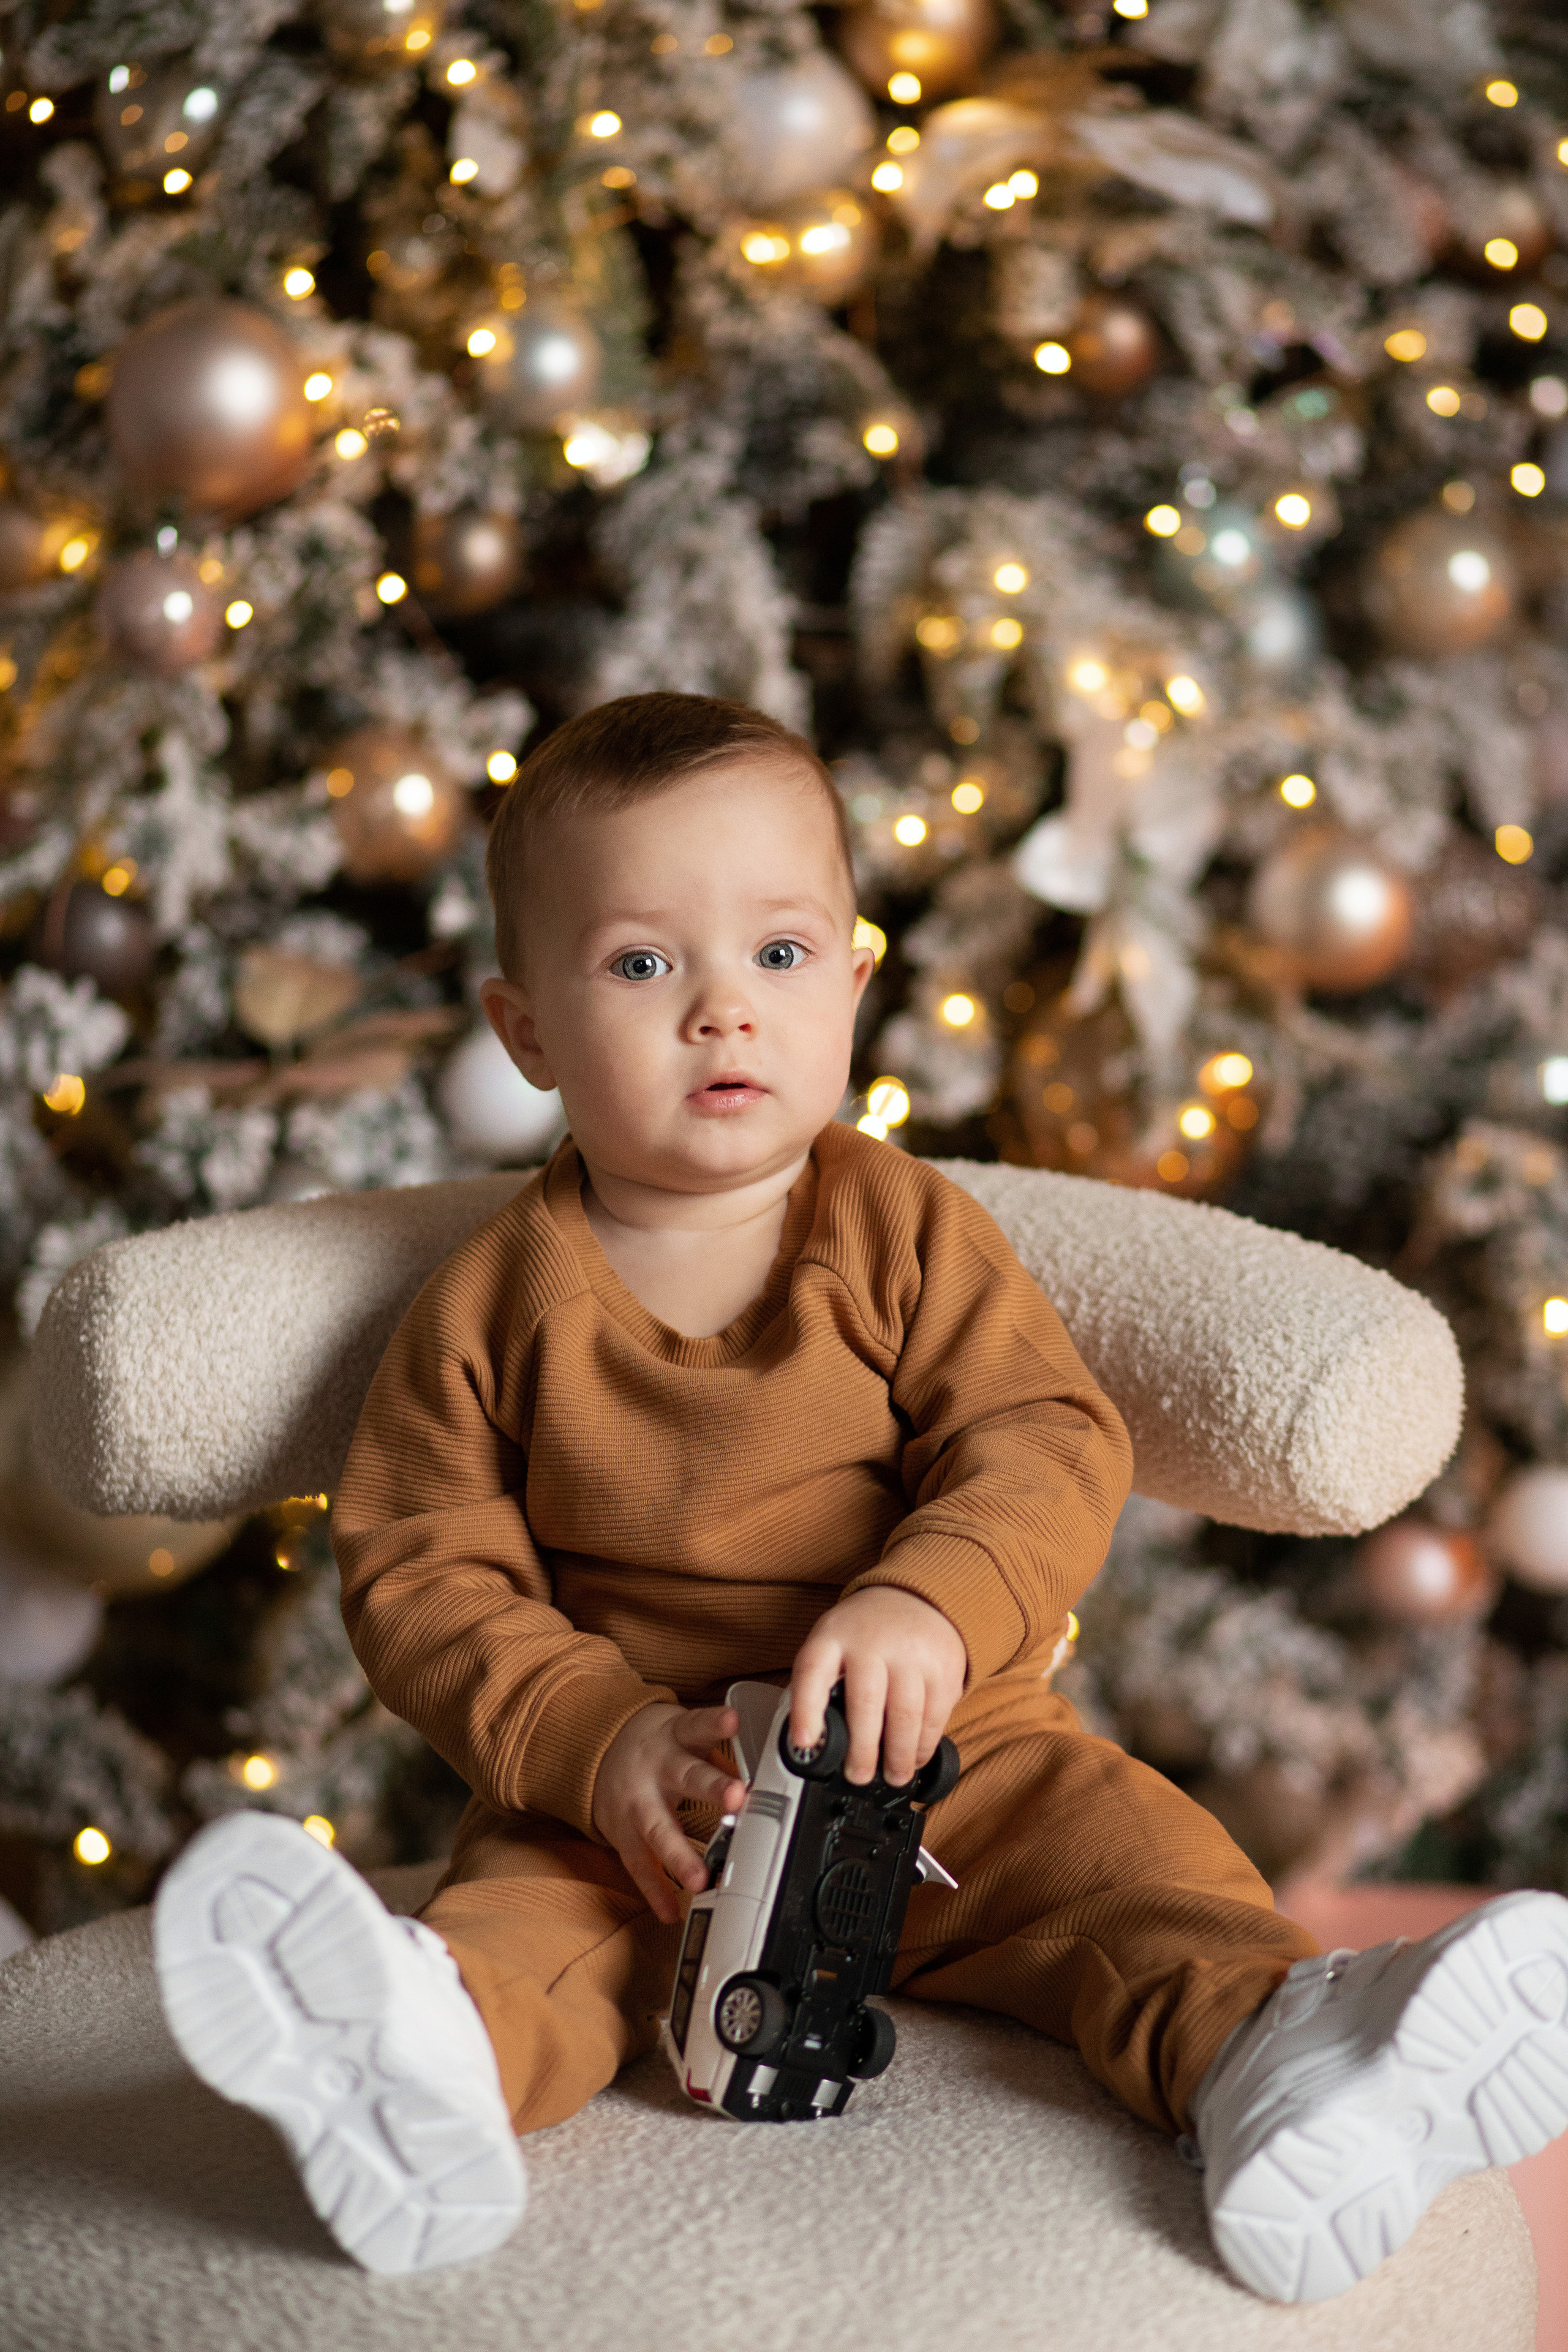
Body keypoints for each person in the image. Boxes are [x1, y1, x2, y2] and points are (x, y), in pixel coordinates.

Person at [154, 692, 1568, 2301]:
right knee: (530, 1927)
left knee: (1131, 1868)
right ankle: (421, 2067)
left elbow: (1043, 1438)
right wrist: (595, 1738)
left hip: (950, 1757)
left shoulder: (903, 1229)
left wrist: (929, 1603)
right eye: (640, 965)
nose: (719, 1014)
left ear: (853, 977)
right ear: (527, 1029)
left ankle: (1282, 2064)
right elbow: (423, 1578)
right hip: (645, 1804)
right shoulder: (488, 1305)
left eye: (776, 954)